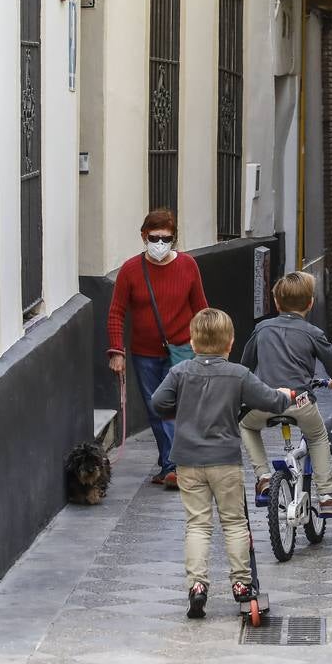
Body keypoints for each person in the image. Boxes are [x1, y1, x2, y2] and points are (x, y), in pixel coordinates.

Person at [150, 308, 294, 619]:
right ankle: (242, 584)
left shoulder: (180, 373)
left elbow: (158, 403)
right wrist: (286, 396)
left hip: (187, 462)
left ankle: (197, 586)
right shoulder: (238, 374)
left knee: (197, 525)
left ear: (191, 341)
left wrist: (182, 412)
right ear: (230, 342)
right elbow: (268, 400)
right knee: (234, 523)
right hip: (225, 462)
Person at [106, 208, 209, 489]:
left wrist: (208, 347)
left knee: (176, 407)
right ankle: (170, 464)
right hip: (145, 354)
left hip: (183, 350)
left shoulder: (188, 266)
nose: (161, 244)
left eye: (167, 239)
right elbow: (116, 312)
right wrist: (117, 350)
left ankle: (175, 465)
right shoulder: (130, 270)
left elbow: (201, 308)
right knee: (156, 408)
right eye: (155, 238)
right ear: (143, 236)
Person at [239, 271, 332, 514]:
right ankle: (326, 494)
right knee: (318, 436)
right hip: (300, 402)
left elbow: (244, 368)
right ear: (310, 303)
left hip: (264, 402)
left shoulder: (262, 329)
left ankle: (264, 477)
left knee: (246, 426)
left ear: (277, 303)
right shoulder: (313, 333)